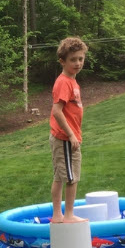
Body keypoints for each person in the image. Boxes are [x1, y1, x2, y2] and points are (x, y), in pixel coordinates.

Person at [49, 36, 89, 223]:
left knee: (59, 176)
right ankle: (69, 215)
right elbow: (57, 112)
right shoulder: (64, 81)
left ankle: (58, 215)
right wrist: (72, 135)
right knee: (72, 177)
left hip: (65, 137)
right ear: (62, 61)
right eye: (73, 59)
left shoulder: (72, 81)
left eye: (80, 59)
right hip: (65, 138)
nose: (78, 63)